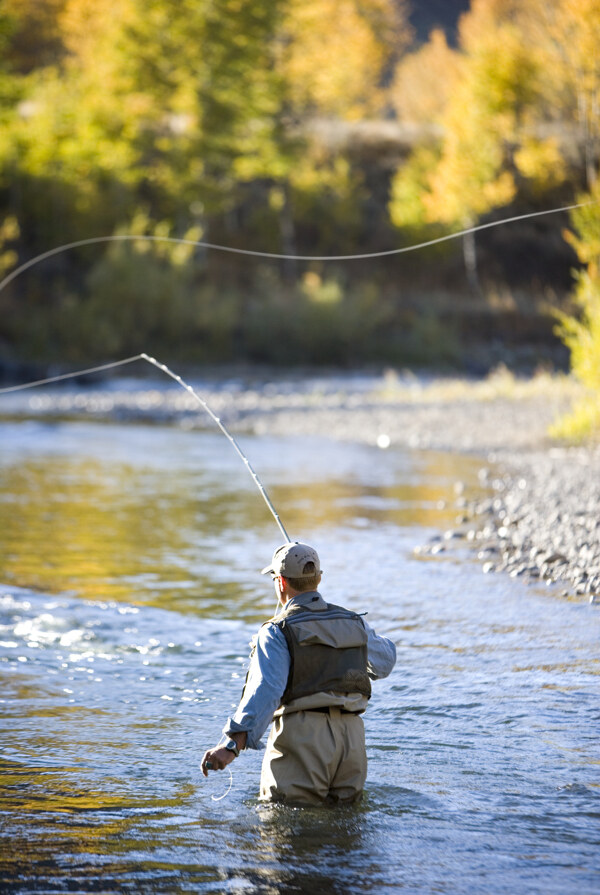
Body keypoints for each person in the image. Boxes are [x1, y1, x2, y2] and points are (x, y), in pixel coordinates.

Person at [201, 542, 396, 805]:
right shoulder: (354, 622)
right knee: (346, 833)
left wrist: (231, 746)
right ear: (318, 579)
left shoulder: (276, 631)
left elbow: (267, 691)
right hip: (352, 742)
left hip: (303, 741)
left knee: (284, 834)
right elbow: (385, 661)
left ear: (281, 582)